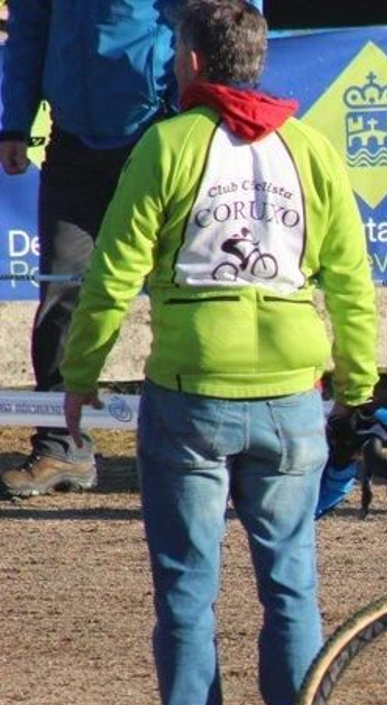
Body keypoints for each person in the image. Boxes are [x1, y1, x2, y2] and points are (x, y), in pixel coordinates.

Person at [58, 0, 378, 705]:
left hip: (190, 393)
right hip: (292, 399)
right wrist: (361, 384)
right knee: (291, 582)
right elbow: (351, 280)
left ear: (193, 64)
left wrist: (80, 374)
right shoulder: (310, 147)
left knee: (186, 586)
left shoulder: (166, 145)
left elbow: (111, 274)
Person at [0, 0, 252, 498]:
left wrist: (222, 115)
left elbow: (234, 22)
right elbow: (30, 25)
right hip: (71, 142)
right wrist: (14, 120)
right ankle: (61, 445)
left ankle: (212, 444)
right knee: (60, 291)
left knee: (194, 287)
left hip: (166, 132)